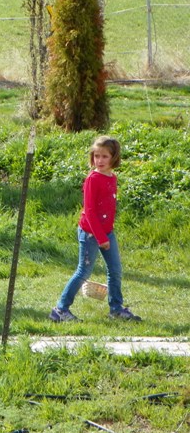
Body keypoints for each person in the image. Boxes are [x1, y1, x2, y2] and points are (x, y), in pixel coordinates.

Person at [49, 136, 141, 322]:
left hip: (107, 232)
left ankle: (116, 309)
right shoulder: (93, 179)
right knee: (83, 271)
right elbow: (89, 211)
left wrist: (107, 233)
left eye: (104, 156)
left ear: (114, 158)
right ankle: (60, 309)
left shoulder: (112, 177)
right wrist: (101, 238)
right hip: (91, 233)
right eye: (96, 156)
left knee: (115, 270)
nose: (99, 160)